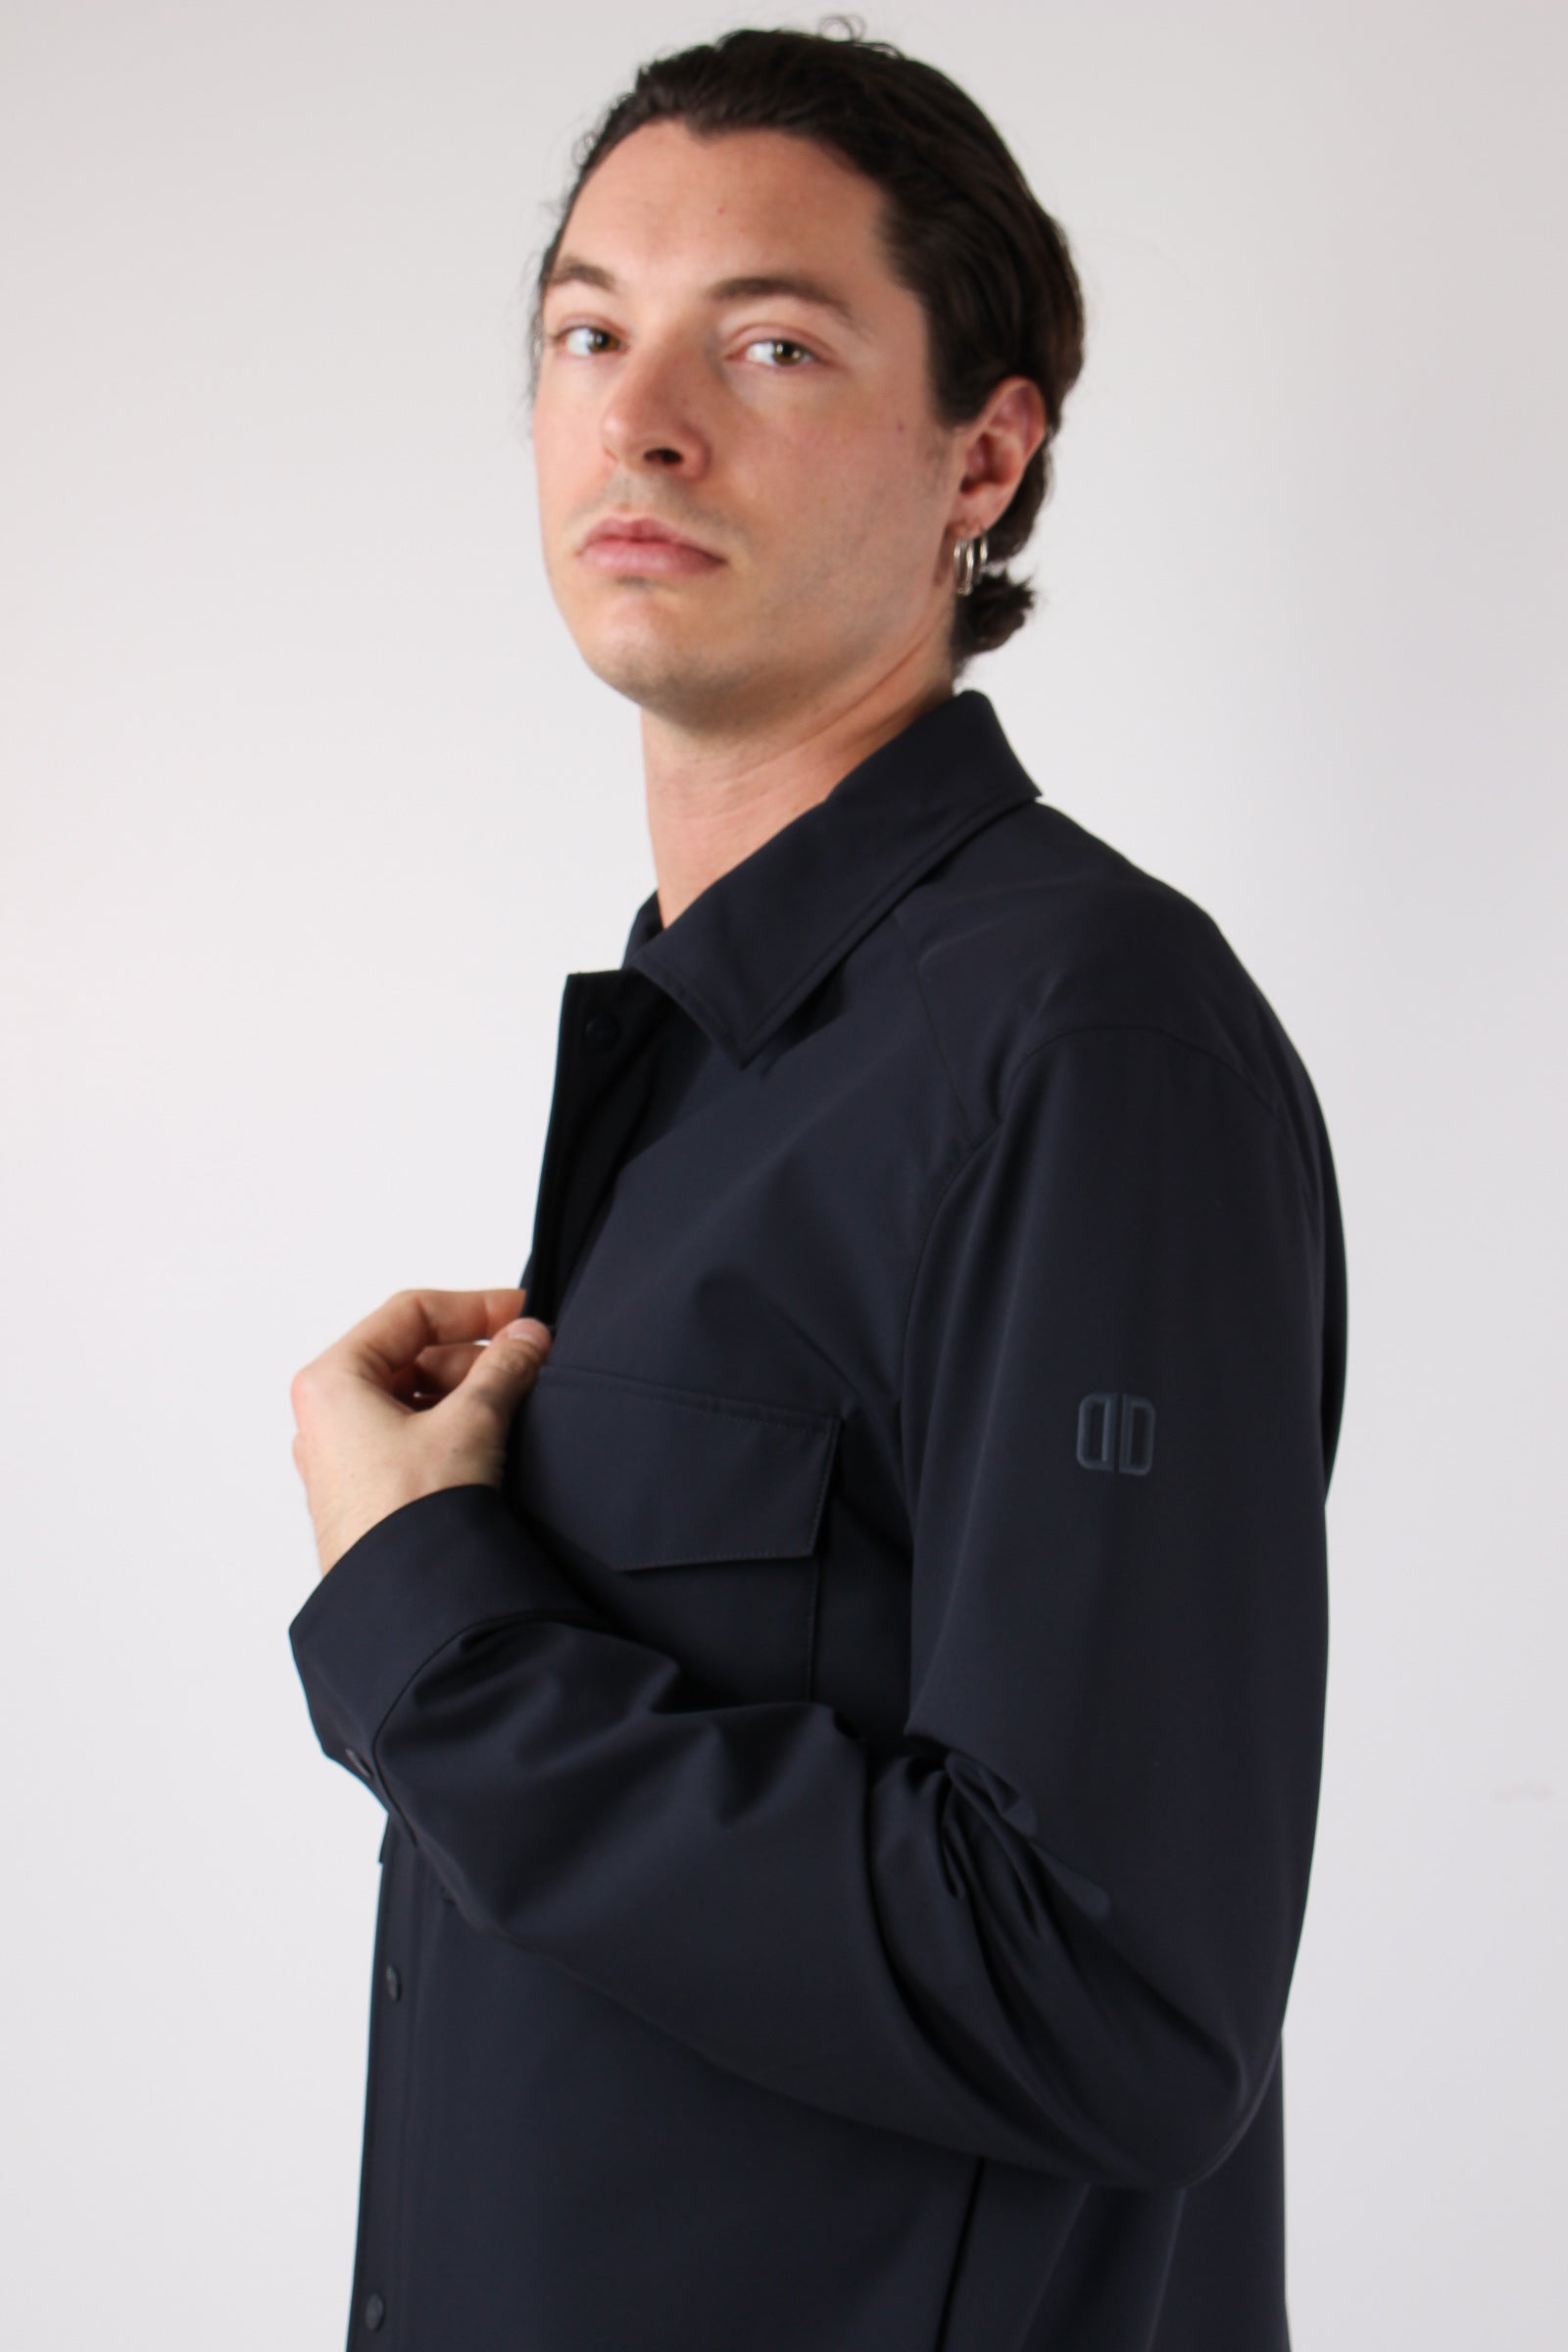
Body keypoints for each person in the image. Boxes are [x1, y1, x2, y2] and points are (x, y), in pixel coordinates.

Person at [287, 21, 1347, 2350]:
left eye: (767, 344)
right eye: (588, 334)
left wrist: (428, 1619)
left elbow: (1110, 1999)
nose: (640, 421)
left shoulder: (1088, 1045)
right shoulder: (709, 1051)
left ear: (985, 452)